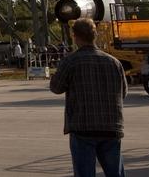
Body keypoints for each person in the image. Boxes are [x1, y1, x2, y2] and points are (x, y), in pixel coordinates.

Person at [49, 19, 127, 177]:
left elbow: (56, 88)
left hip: (83, 126)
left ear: (75, 36)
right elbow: (123, 92)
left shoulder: (71, 61)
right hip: (111, 126)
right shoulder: (114, 62)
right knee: (115, 173)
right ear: (95, 35)